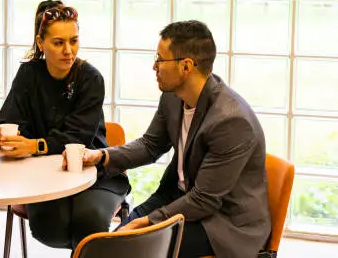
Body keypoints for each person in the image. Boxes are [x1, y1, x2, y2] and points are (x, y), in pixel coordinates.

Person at [77, 20, 271, 258]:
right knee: (105, 247)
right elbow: (150, 145)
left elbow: (204, 201)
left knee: (127, 250)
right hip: (179, 198)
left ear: (186, 66)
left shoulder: (230, 121)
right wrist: (102, 155)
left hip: (222, 223)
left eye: (160, 58)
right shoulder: (173, 97)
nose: (154, 66)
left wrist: (148, 221)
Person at [0, 0, 130, 251]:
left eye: (73, 41)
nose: (68, 50)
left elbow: (78, 136)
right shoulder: (28, 75)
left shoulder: (90, 78)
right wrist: (3, 138)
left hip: (93, 172)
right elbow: (5, 122)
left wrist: (33, 145)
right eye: (58, 43)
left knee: (89, 222)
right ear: (41, 42)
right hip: (43, 175)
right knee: (49, 228)